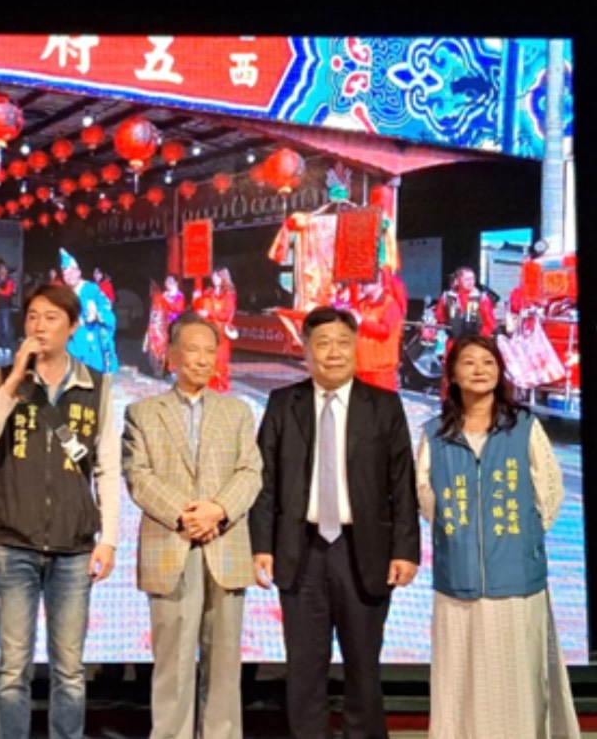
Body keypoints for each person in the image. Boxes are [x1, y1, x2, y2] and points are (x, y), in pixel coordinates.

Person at [249, 306, 420, 739]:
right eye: (322, 344)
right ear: (306, 350)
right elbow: (264, 480)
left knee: (364, 665)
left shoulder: (383, 406)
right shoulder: (283, 404)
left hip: (363, 550)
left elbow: (402, 484)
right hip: (300, 549)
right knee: (304, 666)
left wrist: (405, 550)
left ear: (355, 347)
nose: (334, 353)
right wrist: (261, 545)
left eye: (343, 343)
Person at [0, 283, 119, 739]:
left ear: (73, 327)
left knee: (69, 669)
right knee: (13, 668)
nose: (39, 326)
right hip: (14, 543)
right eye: (32, 316)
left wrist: (109, 539)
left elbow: (107, 468)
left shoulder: (96, 386)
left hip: (74, 547)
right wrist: (14, 381)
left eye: (51, 317)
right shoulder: (1, 380)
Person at [417, 335, 580, 739]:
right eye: (469, 362)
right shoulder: (434, 434)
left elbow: (549, 492)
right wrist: (462, 539)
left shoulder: (524, 428)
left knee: (517, 683)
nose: (480, 370)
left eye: (488, 362)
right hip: (457, 582)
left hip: (516, 583)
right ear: (452, 374)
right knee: (459, 683)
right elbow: (427, 498)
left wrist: (517, 543)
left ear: (500, 372)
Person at [122, 311, 263, 739]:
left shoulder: (237, 411)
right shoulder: (143, 412)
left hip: (226, 544)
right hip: (171, 542)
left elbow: (250, 471)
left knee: (225, 666)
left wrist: (217, 510)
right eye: (192, 350)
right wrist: (187, 515)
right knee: (173, 664)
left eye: (209, 351)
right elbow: (138, 475)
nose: (201, 359)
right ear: (171, 354)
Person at [59, 248, 118, 374]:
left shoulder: (91, 289)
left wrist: (97, 314)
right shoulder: (64, 293)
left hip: (90, 343)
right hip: (71, 344)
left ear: (79, 272)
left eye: (72, 271)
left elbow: (107, 308)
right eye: (65, 274)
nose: (69, 276)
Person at [352, 272, 404, 392]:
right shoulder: (361, 304)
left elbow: (386, 330)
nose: (361, 286)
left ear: (378, 283)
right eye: (361, 282)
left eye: (365, 283)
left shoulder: (390, 305)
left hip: (381, 370)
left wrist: (362, 322)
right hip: (361, 367)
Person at [193, 268, 237, 392]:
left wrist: (209, 313)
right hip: (209, 329)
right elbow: (199, 306)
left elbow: (226, 314)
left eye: (217, 276)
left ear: (223, 278)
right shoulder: (209, 292)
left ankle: (220, 386)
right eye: (213, 277)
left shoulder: (229, 294)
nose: (214, 279)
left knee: (220, 359)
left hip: (221, 331)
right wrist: (196, 300)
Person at [434, 266, 496, 340]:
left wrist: (479, 337)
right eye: (467, 279)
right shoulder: (447, 297)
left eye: (473, 279)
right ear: (457, 281)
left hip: (475, 341)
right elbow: (440, 319)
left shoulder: (482, 298)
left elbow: (490, 323)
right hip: (453, 341)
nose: (471, 282)